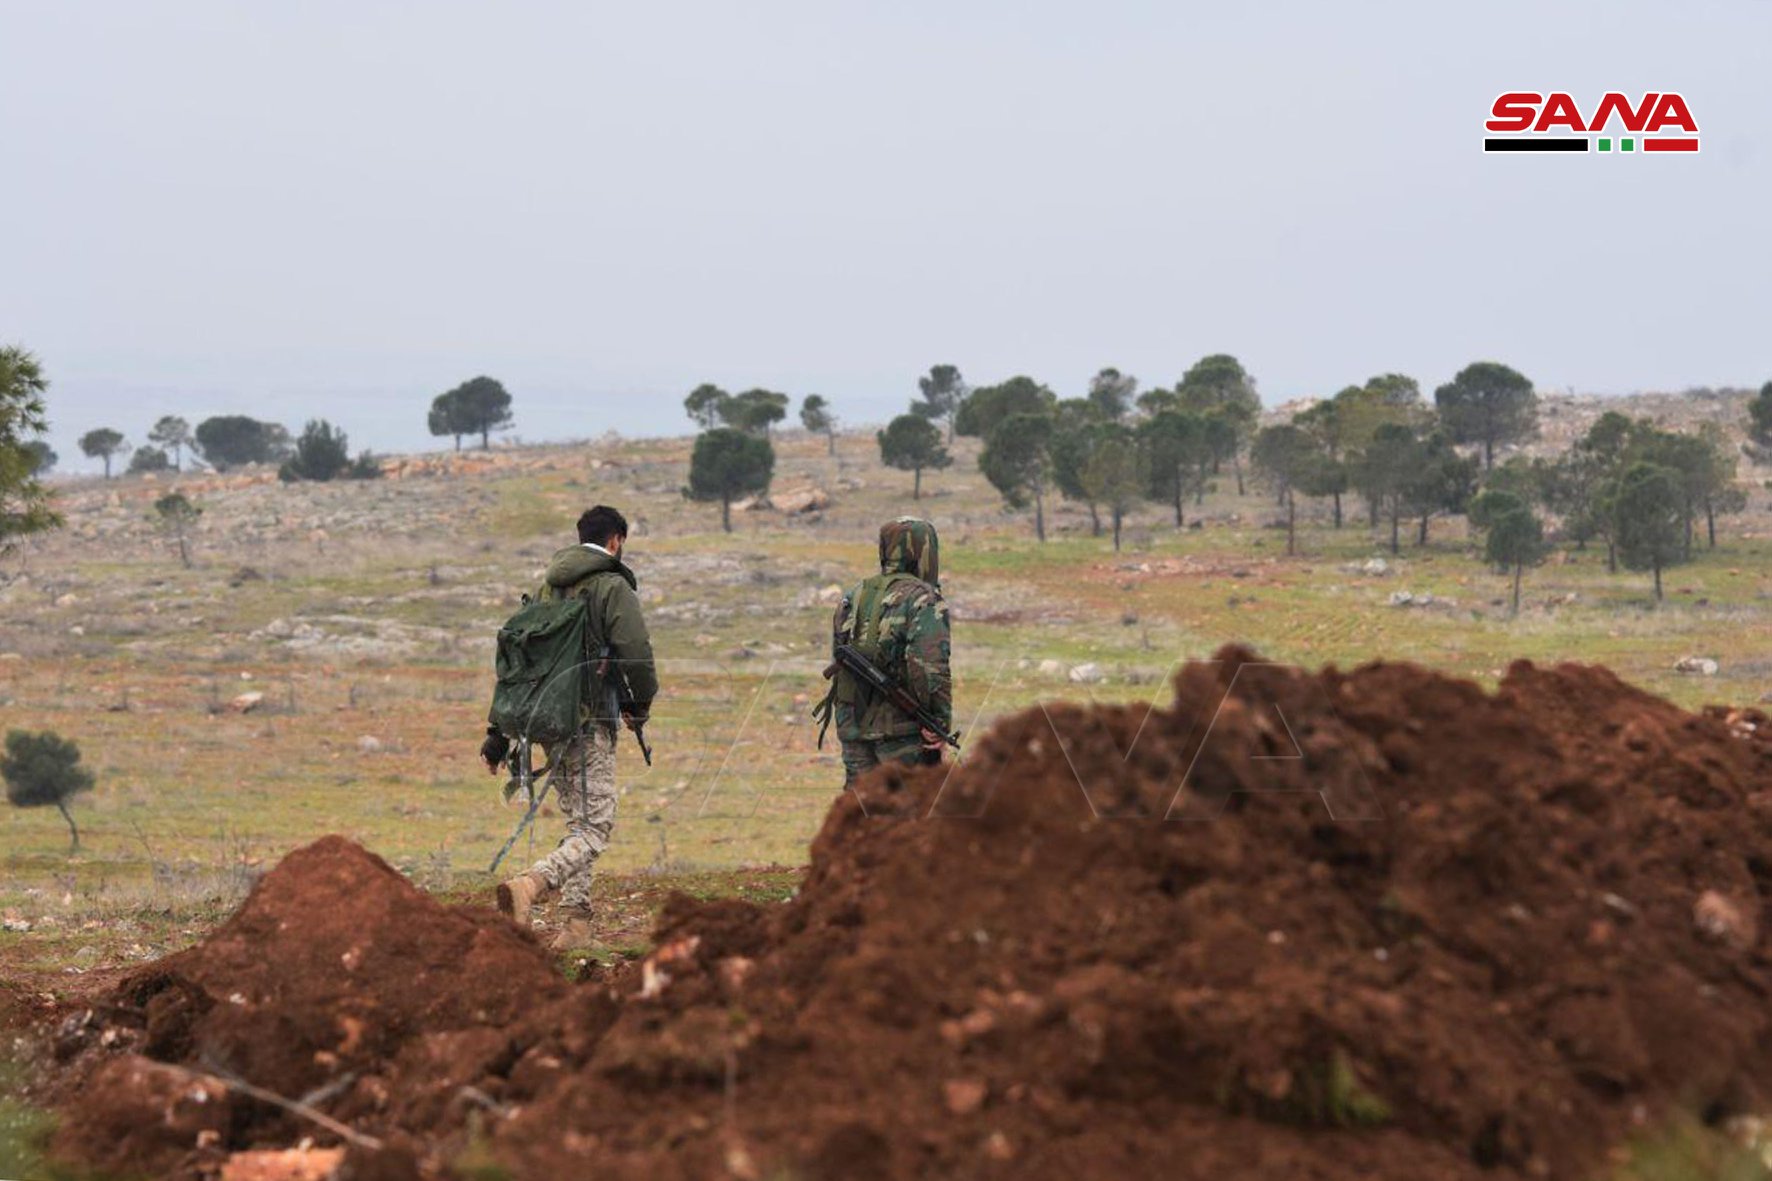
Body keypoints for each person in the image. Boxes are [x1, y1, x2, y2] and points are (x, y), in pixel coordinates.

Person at [483, 505, 656, 949]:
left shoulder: (548, 588)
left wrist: (497, 734)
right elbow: (634, 648)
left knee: (579, 821)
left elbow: (519, 663)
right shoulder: (610, 586)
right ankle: (532, 884)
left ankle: (576, 925)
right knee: (595, 828)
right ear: (615, 540)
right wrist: (640, 702)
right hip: (590, 718)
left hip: (546, 721)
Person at [816, 517, 952, 784]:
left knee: (862, 813)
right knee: (910, 816)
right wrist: (938, 723)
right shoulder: (923, 598)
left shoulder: (854, 595)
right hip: (902, 732)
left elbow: (839, 653)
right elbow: (929, 667)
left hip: (852, 725)